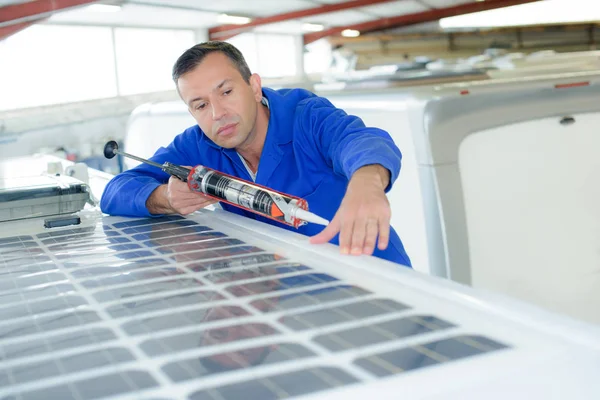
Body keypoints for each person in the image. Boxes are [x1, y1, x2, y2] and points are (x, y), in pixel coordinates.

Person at [100, 41, 411, 267]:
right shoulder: (198, 146)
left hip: (375, 279)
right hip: (291, 300)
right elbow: (114, 192)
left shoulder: (305, 116)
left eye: (226, 92)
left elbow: (362, 140)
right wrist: (165, 198)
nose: (218, 113)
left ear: (254, 86)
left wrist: (367, 183)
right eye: (200, 104)